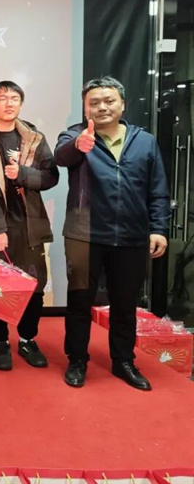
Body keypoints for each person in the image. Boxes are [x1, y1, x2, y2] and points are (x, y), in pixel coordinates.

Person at [55, 76, 170, 391]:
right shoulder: (75, 135)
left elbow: (158, 189)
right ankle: (77, 360)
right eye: (94, 103)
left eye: (109, 101)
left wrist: (159, 229)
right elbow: (60, 157)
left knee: (125, 303)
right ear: (85, 108)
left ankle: (123, 361)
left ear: (122, 104)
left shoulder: (144, 141)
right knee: (79, 301)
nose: (102, 107)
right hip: (83, 237)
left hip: (131, 237)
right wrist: (78, 146)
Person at [0, 81, 59, 371]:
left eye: (14, 98)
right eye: (2, 98)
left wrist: (23, 174)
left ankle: (28, 339)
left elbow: (50, 176)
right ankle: (0, 341)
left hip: (30, 225)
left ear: (21, 103)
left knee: (34, 287)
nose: (9, 103)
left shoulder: (34, 138)